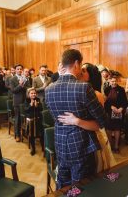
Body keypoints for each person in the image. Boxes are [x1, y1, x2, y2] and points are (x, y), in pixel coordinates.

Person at [45, 49, 106, 189]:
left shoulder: (49, 89)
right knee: (81, 188)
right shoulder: (83, 87)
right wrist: (78, 121)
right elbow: (103, 121)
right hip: (81, 148)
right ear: (77, 63)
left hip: (60, 145)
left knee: (63, 187)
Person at [58, 63, 116, 173]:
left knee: (95, 169)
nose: (80, 71)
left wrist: (76, 121)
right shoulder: (74, 89)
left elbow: (98, 123)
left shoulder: (96, 94)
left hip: (93, 137)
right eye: (81, 68)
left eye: (84, 70)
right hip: (74, 137)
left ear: (91, 76)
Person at [104, 75, 128, 153]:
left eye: (115, 81)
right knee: (109, 129)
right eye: (112, 81)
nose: (114, 83)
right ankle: (110, 145)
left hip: (119, 112)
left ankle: (116, 146)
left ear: (117, 81)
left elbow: (125, 102)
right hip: (109, 112)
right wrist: (111, 107)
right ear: (109, 81)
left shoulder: (121, 90)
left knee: (117, 129)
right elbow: (105, 103)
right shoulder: (106, 89)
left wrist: (121, 108)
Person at [10, 64, 31, 142]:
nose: (19, 70)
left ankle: (25, 133)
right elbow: (13, 90)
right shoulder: (12, 79)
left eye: (20, 69)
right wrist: (20, 85)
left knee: (25, 118)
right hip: (17, 102)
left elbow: (29, 88)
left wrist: (23, 86)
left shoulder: (25, 78)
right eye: (18, 69)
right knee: (18, 119)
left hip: (25, 101)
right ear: (15, 70)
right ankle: (17, 135)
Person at [24, 87, 44, 155]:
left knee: (41, 135)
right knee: (31, 136)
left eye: (34, 93)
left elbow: (41, 109)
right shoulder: (26, 100)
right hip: (31, 121)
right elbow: (26, 110)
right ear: (28, 94)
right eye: (32, 93)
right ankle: (33, 149)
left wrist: (36, 106)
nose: (33, 94)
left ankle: (43, 148)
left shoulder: (38, 99)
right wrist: (30, 105)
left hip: (38, 120)